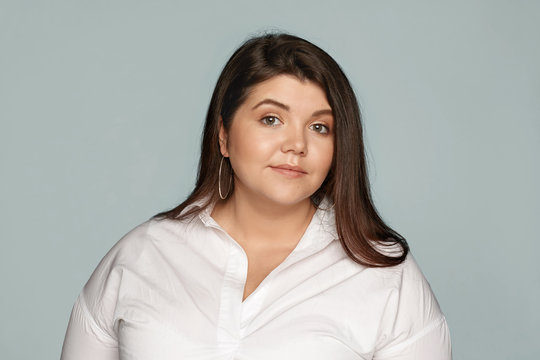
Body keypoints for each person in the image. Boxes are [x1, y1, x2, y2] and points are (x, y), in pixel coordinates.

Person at [61, 33, 451, 359]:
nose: (296, 144)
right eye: (271, 119)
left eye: (319, 127)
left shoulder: (385, 275)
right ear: (224, 135)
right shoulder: (141, 256)